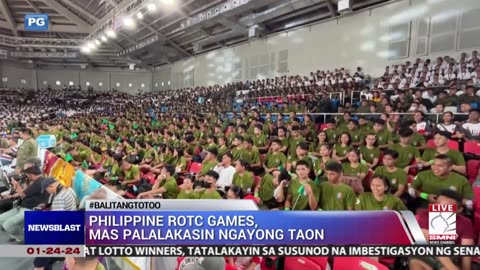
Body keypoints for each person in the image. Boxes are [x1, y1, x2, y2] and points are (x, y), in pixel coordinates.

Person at [409, 190, 474, 270]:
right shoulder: (425, 216)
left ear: (459, 210)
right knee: (416, 264)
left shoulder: (465, 222)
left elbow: (466, 251)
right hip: (425, 253)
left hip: (450, 256)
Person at [0, 164, 49, 243]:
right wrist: (11, 195)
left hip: (30, 209)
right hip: (21, 206)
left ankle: (29, 237)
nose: (25, 176)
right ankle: (20, 236)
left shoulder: (40, 182)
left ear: (31, 175)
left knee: (7, 225)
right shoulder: (34, 181)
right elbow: (24, 194)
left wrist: (16, 185)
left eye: (27, 175)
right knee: (1, 219)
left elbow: (23, 194)